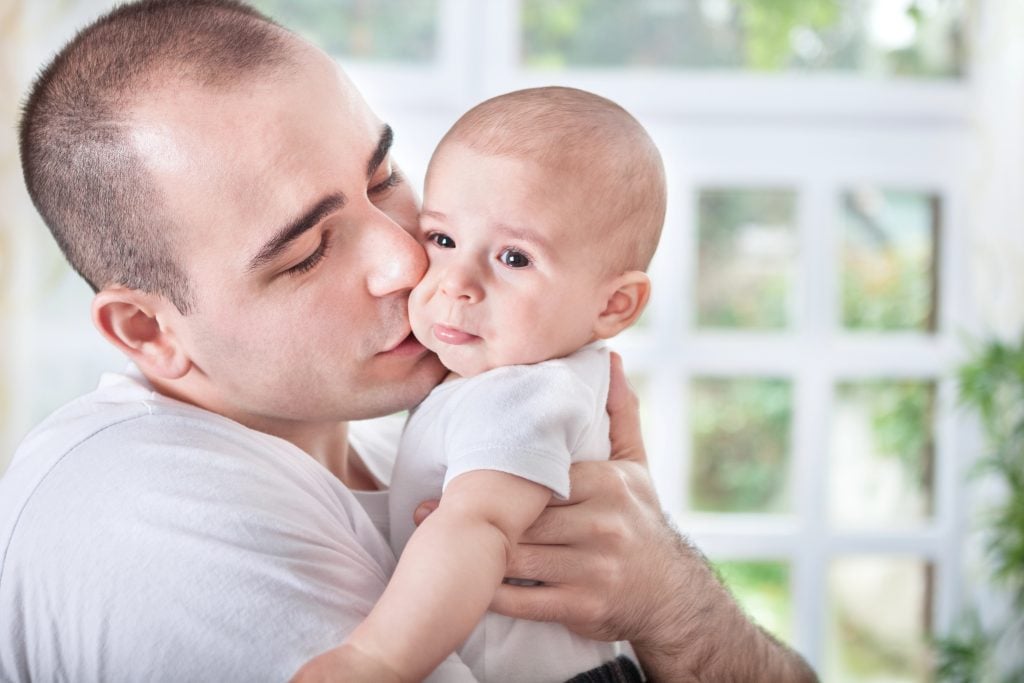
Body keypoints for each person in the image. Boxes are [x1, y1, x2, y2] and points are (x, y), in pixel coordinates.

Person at [0, 1, 818, 681]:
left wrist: (670, 596)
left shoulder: (415, 440)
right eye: (307, 251)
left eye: (384, 177)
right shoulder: (152, 514)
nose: (407, 256)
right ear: (149, 330)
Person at [307, 86, 663, 683]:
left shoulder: (522, 394)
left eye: (514, 258)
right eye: (443, 240)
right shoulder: (510, 378)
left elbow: (478, 528)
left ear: (613, 305)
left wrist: (376, 660)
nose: (456, 283)